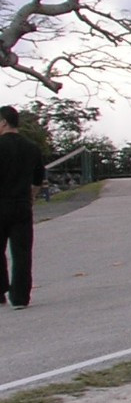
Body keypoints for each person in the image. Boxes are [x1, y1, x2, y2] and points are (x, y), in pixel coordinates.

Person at [0, 105, 47, 310]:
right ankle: (20, 297)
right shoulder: (32, 147)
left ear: (3, 122)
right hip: (21, 204)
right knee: (21, 252)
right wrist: (31, 197)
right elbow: (38, 178)